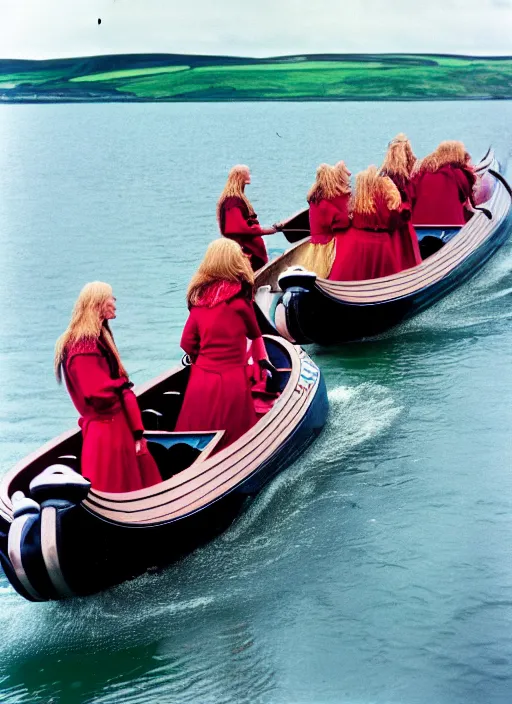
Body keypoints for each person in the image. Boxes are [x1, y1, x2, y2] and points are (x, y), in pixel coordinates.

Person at [54, 282, 161, 493]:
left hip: (112, 428)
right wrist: (122, 386)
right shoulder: (84, 346)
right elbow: (97, 393)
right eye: (111, 298)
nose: (115, 302)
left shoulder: (95, 338)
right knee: (118, 486)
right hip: (107, 432)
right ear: (98, 304)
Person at [175, 239, 274, 450]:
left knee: (196, 438)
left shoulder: (199, 301)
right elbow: (255, 333)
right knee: (236, 440)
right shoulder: (240, 302)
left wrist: (198, 358)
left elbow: (186, 342)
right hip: (231, 380)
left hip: (201, 378)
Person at [328, 166, 404, 281]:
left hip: (357, 241)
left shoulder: (356, 201)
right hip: (381, 244)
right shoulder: (386, 198)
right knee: (386, 280)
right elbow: (395, 219)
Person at [217, 164, 277, 271]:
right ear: (241, 177)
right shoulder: (232, 202)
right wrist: (264, 230)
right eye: (248, 174)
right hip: (246, 253)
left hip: (246, 251)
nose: (250, 176)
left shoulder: (232, 200)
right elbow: (238, 228)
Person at [301, 162, 352, 278]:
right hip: (326, 244)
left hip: (316, 244)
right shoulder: (325, 204)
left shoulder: (314, 199)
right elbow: (342, 222)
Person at [380, 134, 422, 269]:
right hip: (402, 221)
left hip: (387, 222)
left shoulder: (382, 174)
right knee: (405, 253)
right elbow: (412, 198)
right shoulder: (404, 177)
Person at [412, 140, 476, 225]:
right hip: (451, 226)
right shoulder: (457, 173)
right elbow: (467, 196)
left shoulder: (423, 173)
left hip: (419, 226)